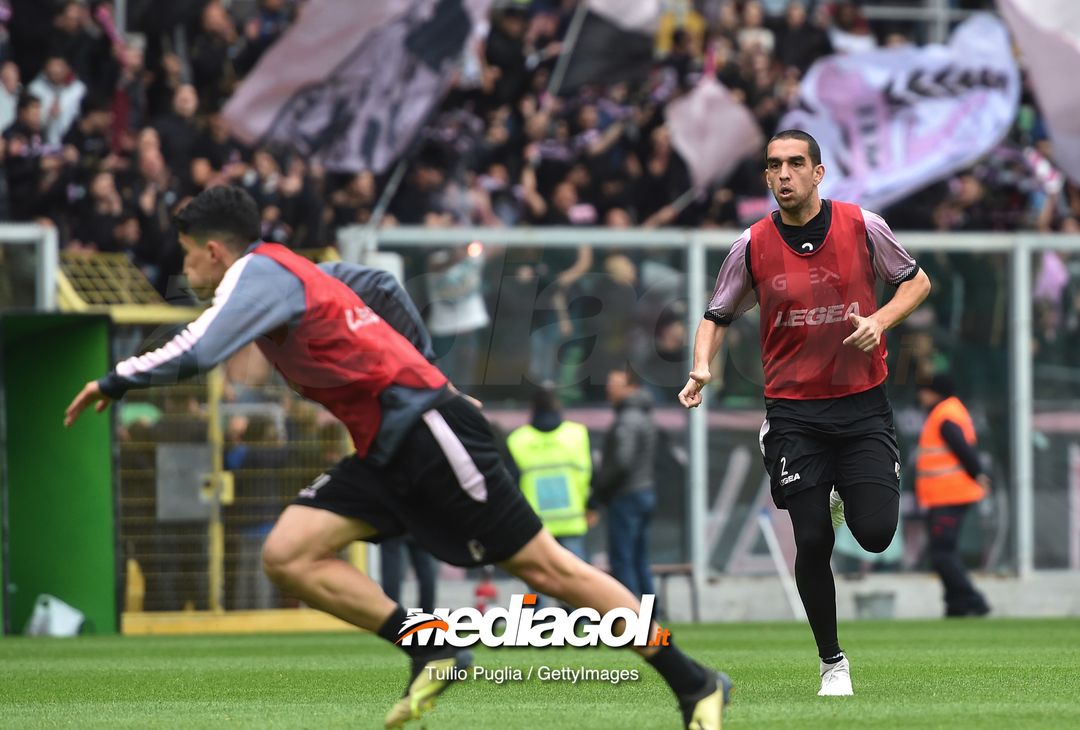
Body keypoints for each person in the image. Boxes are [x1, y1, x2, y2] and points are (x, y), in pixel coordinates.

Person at [64, 186, 730, 730]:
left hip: (427, 431)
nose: (184, 271)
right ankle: (430, 643)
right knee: (289, 553)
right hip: (385, 448)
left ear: (214, 252)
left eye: (185, 256)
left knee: (551, 571)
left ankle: (693, 679)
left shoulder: (256, 273)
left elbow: (198, 349)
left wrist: (115, 379)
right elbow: (376, 282)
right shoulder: (292, 276)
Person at [679, 130, 931, 697]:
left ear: (818, 173)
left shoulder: (864, 226)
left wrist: (881, 321)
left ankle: (846, 495)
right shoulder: (751, 244)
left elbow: (916, 282)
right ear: (767, 178)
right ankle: (833, 663)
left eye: (796, 163)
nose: (784, 173)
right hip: (794, 413)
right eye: (774, 165)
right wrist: (701, 368)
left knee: (873, 534)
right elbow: (716, 314)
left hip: (864, 407)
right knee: (811, 538)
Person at [506, 383, 593, 606]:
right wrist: (591, 506)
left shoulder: (518, 440)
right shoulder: (576, 434)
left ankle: (541, 621)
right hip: (572, 519)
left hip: (534, 524)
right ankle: (580, 618)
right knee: (577, 578)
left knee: (537, 577)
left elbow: (511, 484)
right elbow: (589, 475)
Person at [915, 373, 991, 617]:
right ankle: (956, 604)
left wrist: (978, 473)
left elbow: (962, 448)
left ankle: (973, 601)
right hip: (945, 495)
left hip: (950, 494)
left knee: (942, 552)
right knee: (942, 552)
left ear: (935, 392)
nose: (921, 394)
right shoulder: (949, 411)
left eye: (925, 390)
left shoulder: (944, 415)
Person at [592, 367, 658, 600]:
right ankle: (651, 611)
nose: (610, 388)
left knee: (622, 559)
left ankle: (630, 613)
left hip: (627, 494)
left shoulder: (628, 418)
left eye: (615, 383)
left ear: (631, 388)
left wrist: (600, 490)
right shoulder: (641, 414)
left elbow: (621, 461)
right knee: (639, 558)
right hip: (643, 491)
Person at [379, 536, 438, 614]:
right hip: (420, 527)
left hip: (393, 527)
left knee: (392, 565)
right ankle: (427, 612)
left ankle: (392, 613)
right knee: (426, 566)